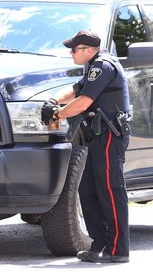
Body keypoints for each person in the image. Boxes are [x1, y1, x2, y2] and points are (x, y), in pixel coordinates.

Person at [41, 29, 131, 263]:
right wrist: (52, 101)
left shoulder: (103, 66)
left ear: (89, 50)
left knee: (111, 191)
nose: (71, 53)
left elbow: (82, 103)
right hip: (97, 135)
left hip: (111, 135)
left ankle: (118, 249)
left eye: (74, 49)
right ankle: (98, 244)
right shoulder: (93, 67)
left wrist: (58, 114)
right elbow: (76, 89)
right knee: (88, 189)